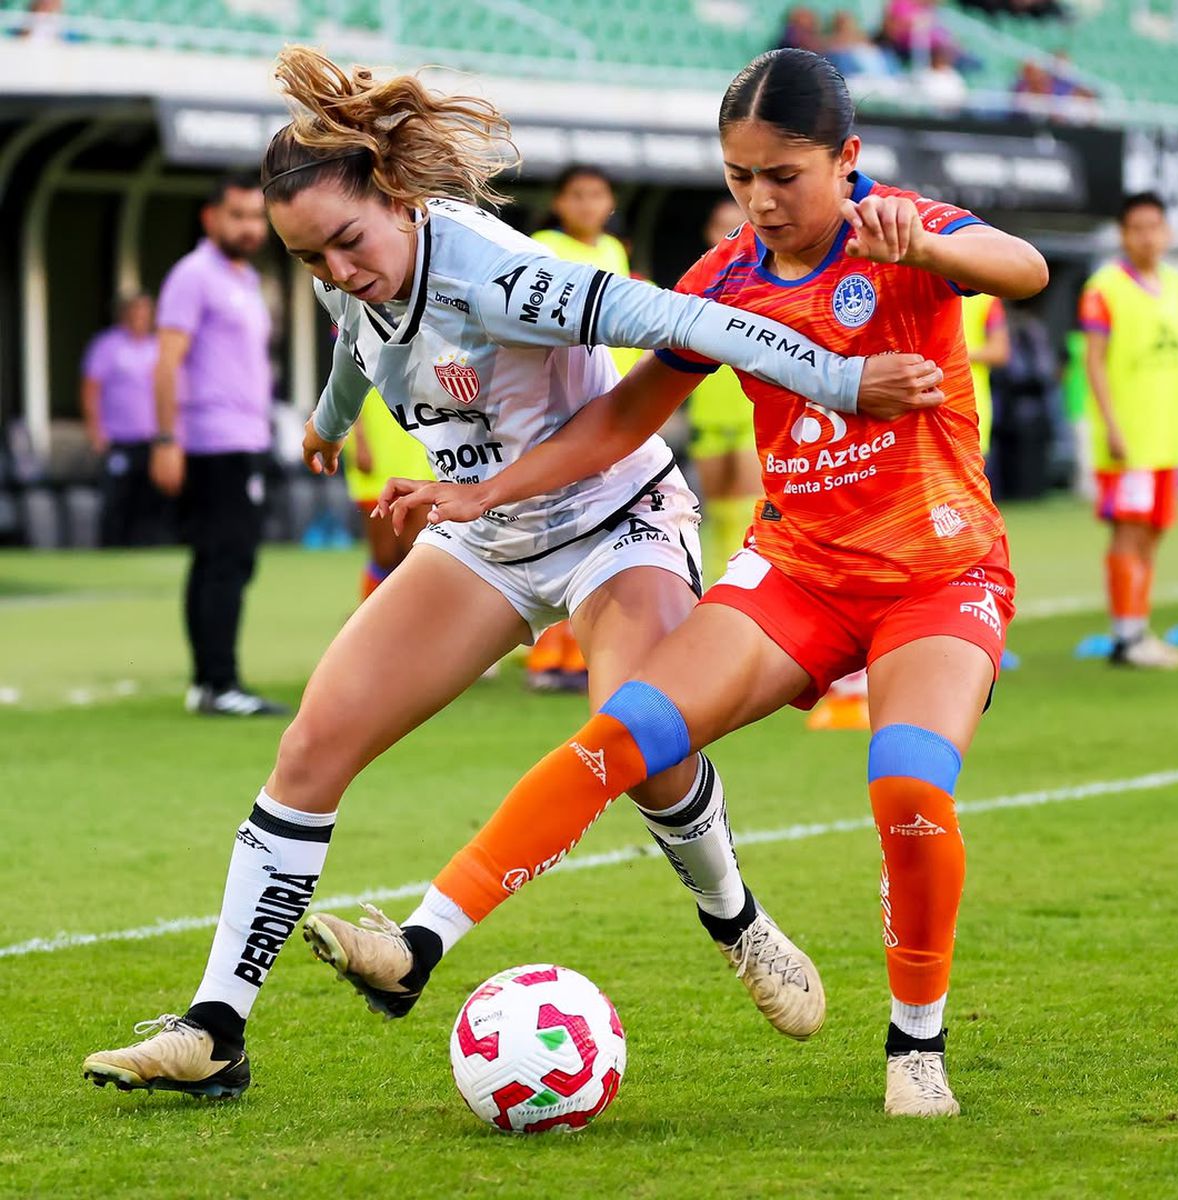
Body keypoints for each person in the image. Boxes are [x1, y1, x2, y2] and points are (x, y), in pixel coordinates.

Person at [81, 46, 946, 1101]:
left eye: (348, 243)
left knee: (644, 746)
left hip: (616, 521)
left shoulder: (497, 274)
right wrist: (328, 425)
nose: (337, 272)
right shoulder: (347, 270)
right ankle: (216, 1028)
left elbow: (686, 320)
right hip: (482, 533)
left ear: (399, 199)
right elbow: (358, 339)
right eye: (311, 259)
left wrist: (843, 379)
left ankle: (737, 921)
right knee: (310, 746)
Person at [378, 49, 1048, 1117]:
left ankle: (916, 1045)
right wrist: (483, 492)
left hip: (937, 573)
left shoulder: (903, 228)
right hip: (798, 575)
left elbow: (1025, 270)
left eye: (784, 175)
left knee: (909, 788)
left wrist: (927, 244)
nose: (761, 201)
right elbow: (623, 416)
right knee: (624, 736)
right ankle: (418, 944)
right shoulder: (726, 277)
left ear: (847, 158)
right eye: (740, 177)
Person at [150, 175, 288, 717]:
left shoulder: (246, 279)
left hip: (246, 438)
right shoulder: (193, 275)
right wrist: (166, 439)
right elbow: (167, 362)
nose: (250, 228)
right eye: (238, 216)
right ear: (210, 218)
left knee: (228, 559)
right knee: (223, 560)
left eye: (257, 217)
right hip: (211, 442)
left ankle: (210, 681)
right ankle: (219, 683)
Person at [526, 164, 639, 690]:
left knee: (598, 528)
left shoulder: (613, 251)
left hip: (608, 405)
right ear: (559, 202)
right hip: (558, 405)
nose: (588, 204)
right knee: (555, 528)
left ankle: (579, 653)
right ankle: (547, 657)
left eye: (597, 194)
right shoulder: (543, 247)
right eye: (577, 195)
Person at [1079, 192, 1178, 669]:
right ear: (1123, 234)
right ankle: (1126, 638)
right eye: (1138, 228)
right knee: (1129, 533)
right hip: (1129, 439)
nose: (1148, 237)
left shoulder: (1175, 284)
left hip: (1168, 437)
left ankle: (1138, 628)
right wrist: (1111, 425)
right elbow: (1093, 362)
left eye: (1155, 227)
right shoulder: (1104, 288)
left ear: (1167, 232)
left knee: (1153, 534)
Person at [686, 197, 761, 576]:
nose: (730, 234)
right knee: (714, 515)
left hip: (753, 418)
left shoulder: (767, 284)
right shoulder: (694, 288)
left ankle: (740, 588)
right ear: (709, 232)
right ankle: (712, 588)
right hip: (708, 418)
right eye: (722, 226)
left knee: (746, 514)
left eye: (739, 225)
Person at [80, 293, 172, 547]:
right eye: (136, 312)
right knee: (116, 500)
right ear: (124, 315)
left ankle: (145, 548)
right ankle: (111, 549)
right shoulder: (107, 346)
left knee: (151, 502)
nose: (140, 318)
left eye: (145, 313)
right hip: (118, 440)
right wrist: (95, 431)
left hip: (152, 440)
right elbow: (90, 390)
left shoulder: (157, 347)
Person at [343, 388, 432, 601]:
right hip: (376, 456)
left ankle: (411, 615)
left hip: (418, 453)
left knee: (416, 553)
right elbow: (347, 390)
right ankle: (370, 614)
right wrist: (359, 438)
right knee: (384, 556)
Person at [960, 291, 1009, 456]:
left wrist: (951, 353)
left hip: (971, 408)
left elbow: (999, 351)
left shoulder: (985, 297)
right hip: (923, 407)